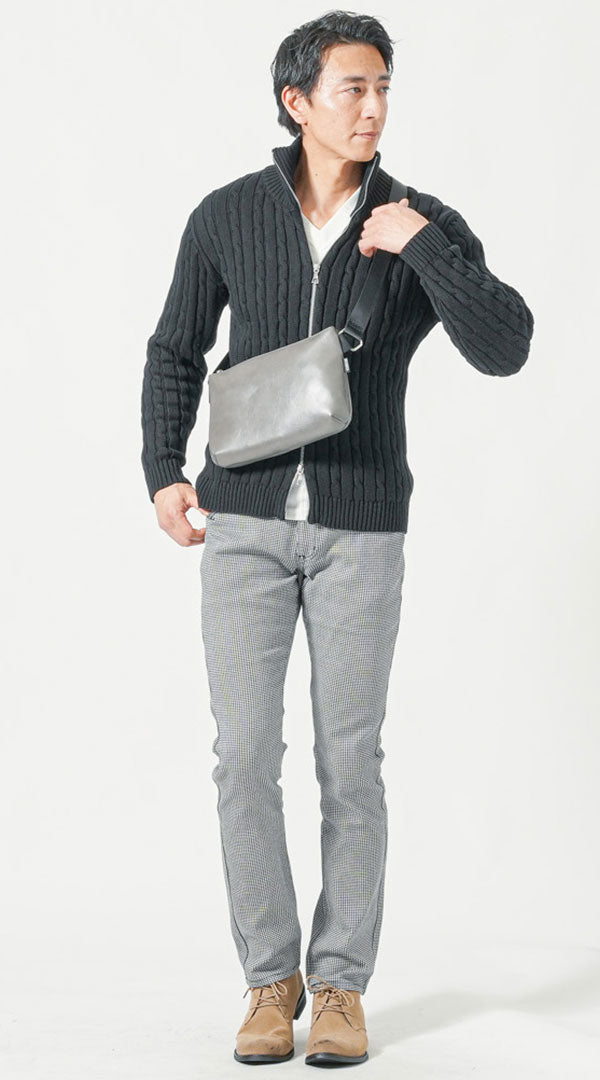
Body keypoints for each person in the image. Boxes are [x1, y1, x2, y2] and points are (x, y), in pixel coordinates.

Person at [140, 10, 534, 1067]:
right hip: (243, 523)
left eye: (384, 87)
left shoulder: (421, 218)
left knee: (350, 762)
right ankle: (271, 983)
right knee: (242, 758)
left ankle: (342, 987)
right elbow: (175, 348)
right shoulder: (227, 214)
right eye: (353, 87)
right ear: (297, 100)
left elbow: (506, 345)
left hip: (362, 531)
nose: (373, 107)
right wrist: (163, 472)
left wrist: (424, 248)